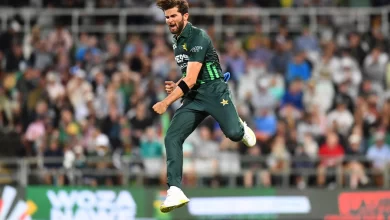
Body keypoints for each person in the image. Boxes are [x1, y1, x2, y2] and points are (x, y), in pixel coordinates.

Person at [152, 0, 256, 213]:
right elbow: (189, 76)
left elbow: (190, 79)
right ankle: (174, 190)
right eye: (167, 17)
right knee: (172, 136)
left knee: (234, 134)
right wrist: (177, 84)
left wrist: (166, 102)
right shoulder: (177, 41)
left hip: (215, 92)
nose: (170, 20)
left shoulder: (198, 37)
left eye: (173, 16)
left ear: (185, 16)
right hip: (194, 97)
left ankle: (241, 128)